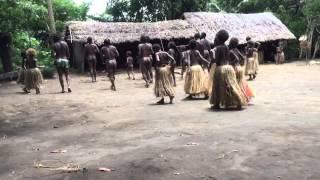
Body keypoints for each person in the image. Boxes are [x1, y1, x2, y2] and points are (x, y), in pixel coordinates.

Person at [209, 30, 247, 110]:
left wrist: (211, 57)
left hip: (220, 69)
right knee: (231, 85)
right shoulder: (226, 47)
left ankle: (217, 104)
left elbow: (215, 60)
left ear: (218, 38)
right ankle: (239, 101)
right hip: (229, 68)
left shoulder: (217, 48)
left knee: (217, 87)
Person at [229, 37, 254, 103]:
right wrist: (240, 63)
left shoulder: (231, 51)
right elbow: (242, 57)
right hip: (239, 67)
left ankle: (238, 98)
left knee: (235, 84)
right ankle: (246, 97)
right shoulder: (236, 50)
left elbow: (236, 58)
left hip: (234, 68)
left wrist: (231, 63)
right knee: (242, 83)